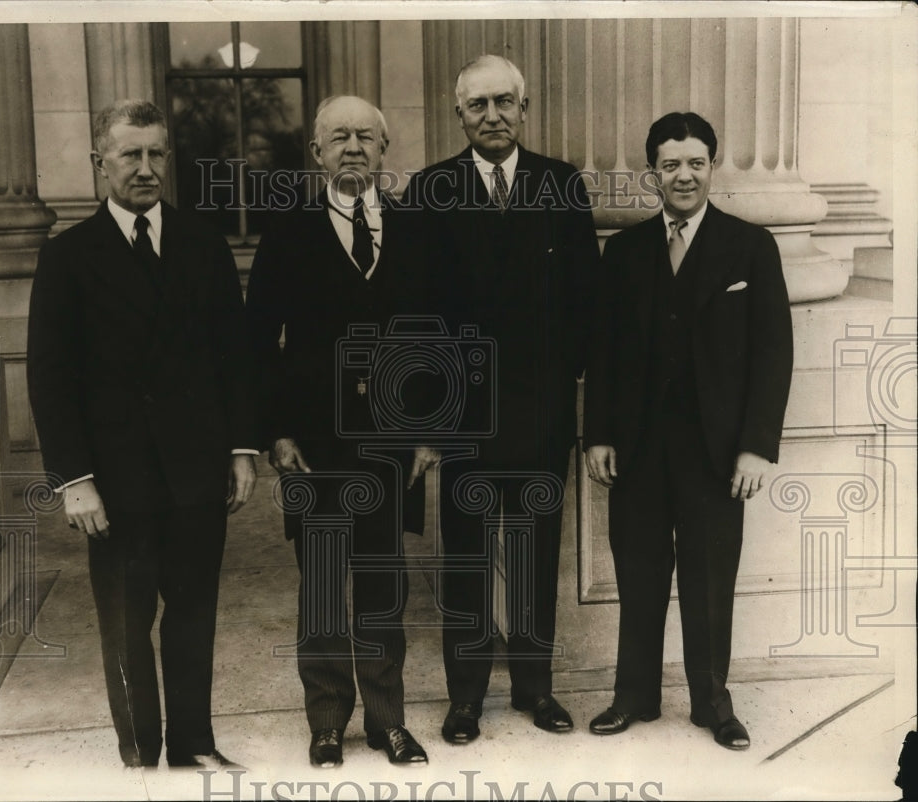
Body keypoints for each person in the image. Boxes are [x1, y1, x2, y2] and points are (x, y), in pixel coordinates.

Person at [26, 100, 257, 770]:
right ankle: (139, 758)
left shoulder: (203, 244)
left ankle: (194, 747)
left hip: (194, 471)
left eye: (158, 154)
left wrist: (242, 448)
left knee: (192, 617)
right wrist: (74, 479)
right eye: (132, 155)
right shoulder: (68, 257)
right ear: (101, 162)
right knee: (127, 627)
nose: (148, 168)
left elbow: (234, 356)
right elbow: (50, 376)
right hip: (115, 478)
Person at [405, 55, 601, 743]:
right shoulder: (431, 190)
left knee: (533, 550)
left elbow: (585, 303)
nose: (492, 116)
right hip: (463, 416)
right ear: (458, 114)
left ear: (525, 108)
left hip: (540, 411)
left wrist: (567, 385)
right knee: (465, 556)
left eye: (504, 103)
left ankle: (535, 688)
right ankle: (465, 696)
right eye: (477, 105)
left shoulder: (560, 184)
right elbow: (416, 314)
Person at [583, 112, 794, 750]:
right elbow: (605, 352)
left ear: (712, 167)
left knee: (709, 579)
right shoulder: (622, 252)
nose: (683, 175)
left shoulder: (751, 247)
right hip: (639, 450)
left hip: (718, 453)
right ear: (653, 173)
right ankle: (634, 695)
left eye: (695, 162)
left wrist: (757, 446)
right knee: (639, 574)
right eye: (670, 164)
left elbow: (773, 354)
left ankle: (713, 703)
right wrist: (598, 434)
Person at [245, 95, 428, 768]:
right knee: (321, 580)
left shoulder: (414, 227)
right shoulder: (288, 230)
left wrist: (431, 433)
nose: (354, 148)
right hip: (313, 443)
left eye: (366, 138)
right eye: (339, 138)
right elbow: (259, 341)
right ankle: (326, 721)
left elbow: (435, 334)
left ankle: (387, 721)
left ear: (384, 151)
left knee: (384, 581)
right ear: (317, 153)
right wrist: (277, 431)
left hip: (390, 441)